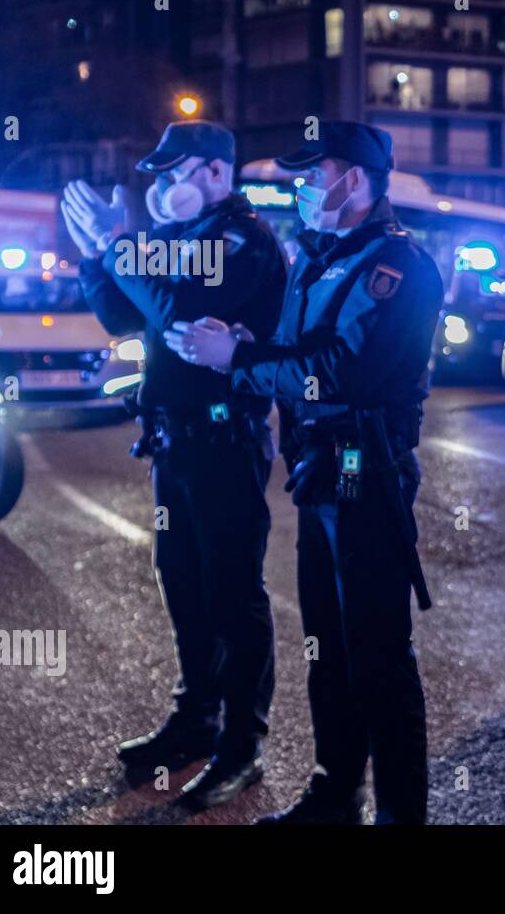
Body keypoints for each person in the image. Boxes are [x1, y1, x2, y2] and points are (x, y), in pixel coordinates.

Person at [165, 120, 442, 825]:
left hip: (366, 475)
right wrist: (247, 346)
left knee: (378, 656)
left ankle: (401, 815)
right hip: (318, 473)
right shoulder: (320, 259)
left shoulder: (397, 266)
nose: (300, 188)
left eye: (311, 176)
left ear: (354, 179)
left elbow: (339, 373)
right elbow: (294, 353)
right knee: (328, 647)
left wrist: (238, 362)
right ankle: (333, 791)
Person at [60, 120, 287, 809]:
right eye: (157, 175)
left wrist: (116, 245)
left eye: (176, 172)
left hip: (225, 440)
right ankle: (197, 720)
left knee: (232, 593)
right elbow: (123, 318)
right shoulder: (181, 240)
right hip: (173, 440)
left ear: (217, 172)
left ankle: (242, 745)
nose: (161, 187)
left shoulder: (240, 241)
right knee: (182, 583)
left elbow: (179, 308)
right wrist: (96, 260)